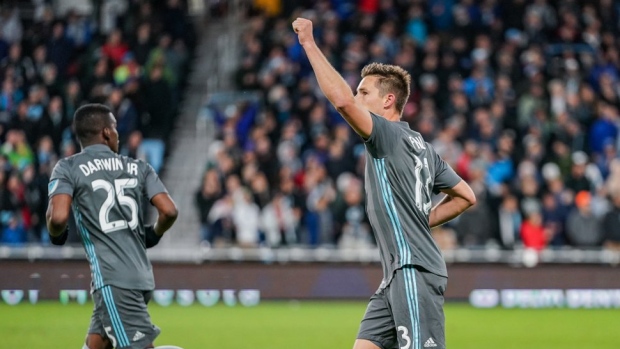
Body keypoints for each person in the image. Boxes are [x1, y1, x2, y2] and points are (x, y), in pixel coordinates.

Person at [292, 18, 476, 349]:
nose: (357, 98)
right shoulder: (423, 146)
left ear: (388, 100)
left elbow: (343, 103)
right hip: (395, 274)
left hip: (413, 269)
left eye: (364, 92)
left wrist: (308, 43)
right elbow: (466, 196)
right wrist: (424, 221)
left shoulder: (386, 135)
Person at [46, 104, 178, 349]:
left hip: (112, 280)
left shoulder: (68, 167)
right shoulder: (139, 167)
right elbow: (169, 211)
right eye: (116, 128)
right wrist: (154, 233)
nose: (118, 134)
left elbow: (58, 218)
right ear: (106, 133)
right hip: (140, 277)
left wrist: (56, 235)